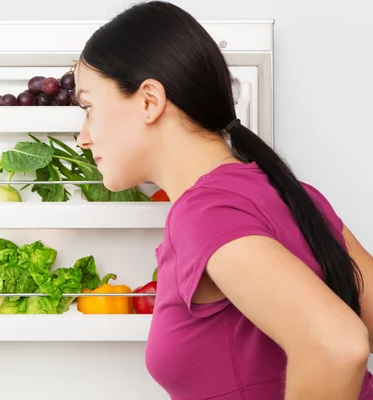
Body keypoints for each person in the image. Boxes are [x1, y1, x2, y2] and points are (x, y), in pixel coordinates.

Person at [72, 1, 373, 399]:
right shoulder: (292, 193)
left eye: (89, 108)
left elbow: (338, 345)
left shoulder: (203, 212)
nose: (82, 136)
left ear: (149, 101)